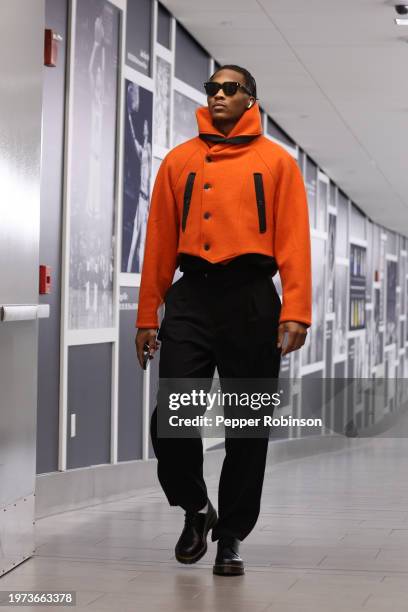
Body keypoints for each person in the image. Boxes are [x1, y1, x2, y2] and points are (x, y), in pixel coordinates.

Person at [135, 65, 312, 576]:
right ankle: (195, 509)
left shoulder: (277, 163)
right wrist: (149, 315)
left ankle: (231, 534)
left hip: (254, 300)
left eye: (229, 89)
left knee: (247, 428)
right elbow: (159, 245)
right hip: (191, 299)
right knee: (173, 417)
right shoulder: (180, 162)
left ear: (251, 98)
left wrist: (296, 309)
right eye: (212, 88)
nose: (217, 95)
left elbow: (295, 241)